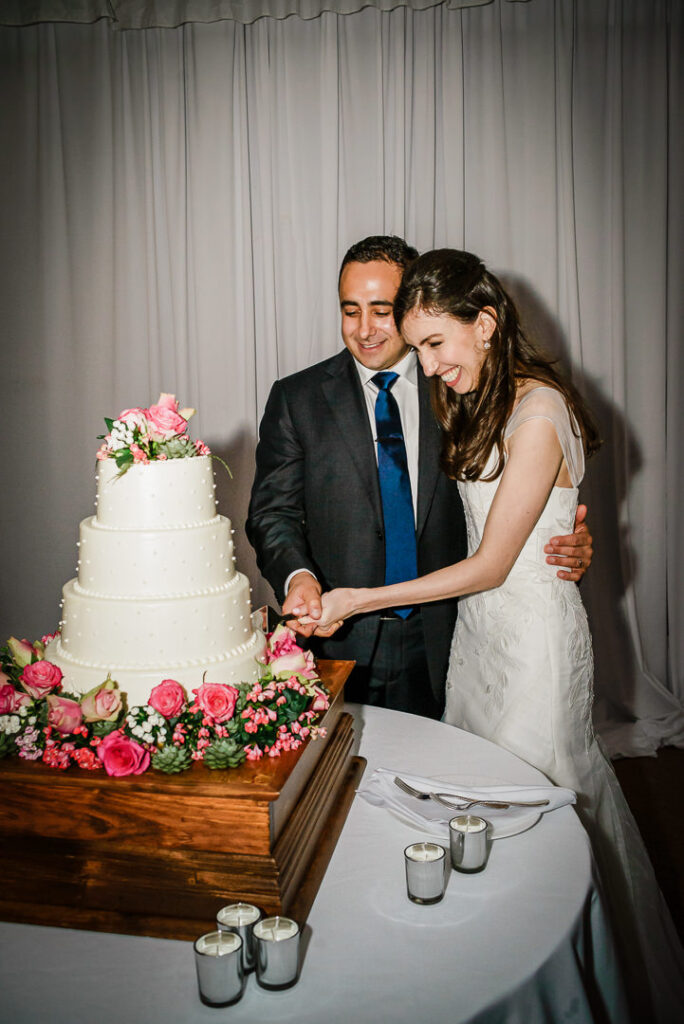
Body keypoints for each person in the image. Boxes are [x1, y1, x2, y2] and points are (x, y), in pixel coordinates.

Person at [306, 248, 684, 1020]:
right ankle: (492, 958)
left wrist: (359, 597)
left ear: (485, 323)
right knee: (475, 798)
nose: (431, 366)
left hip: (533, 644)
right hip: (479, 642)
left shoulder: (539, 410)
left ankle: (572, 975)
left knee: (541, 812)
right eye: (422, 351)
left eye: (436, 344)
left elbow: (490, 564)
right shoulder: (482, 398)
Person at [247, 236, 592, 719]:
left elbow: (521, 491)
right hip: (338, 643)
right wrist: (299, 577)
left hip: (448, 639)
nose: (364, 330)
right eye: (350, 310)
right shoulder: (296, 398)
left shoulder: (462, 387)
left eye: (381, 310)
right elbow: (272, 514)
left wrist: (560, 536)